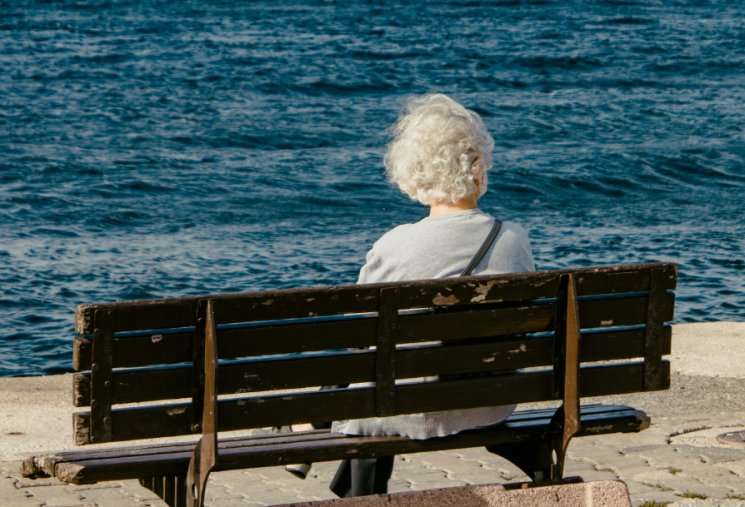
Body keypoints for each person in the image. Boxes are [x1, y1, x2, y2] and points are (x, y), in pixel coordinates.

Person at [288, 93, 535, 496]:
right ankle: (322, 442)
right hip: (490, 401)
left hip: (407, 406)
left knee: (367, 369)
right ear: (477, 169)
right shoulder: (514, 239)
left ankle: (311, 433)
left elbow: (359, 340)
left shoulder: (394, 245)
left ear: (415, 172)